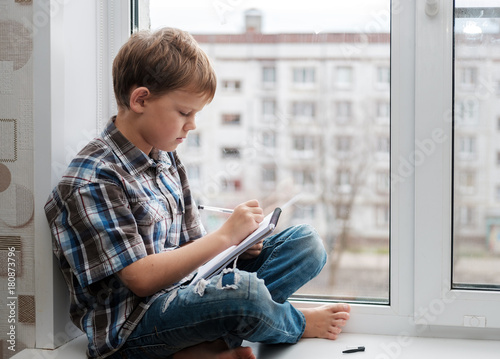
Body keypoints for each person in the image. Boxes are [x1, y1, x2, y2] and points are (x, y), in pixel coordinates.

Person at [44, 27, 350, 359]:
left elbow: (193, 248)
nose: (192, 125)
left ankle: (202, 348)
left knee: (306, 244)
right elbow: (142, 280)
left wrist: (243, 245)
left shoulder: (165, 157)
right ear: (141, 99)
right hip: (133, 327)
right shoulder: (92, 180)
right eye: (184, 113)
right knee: (244, 295)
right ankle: (293, 324)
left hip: (189, 293)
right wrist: (225, 237)